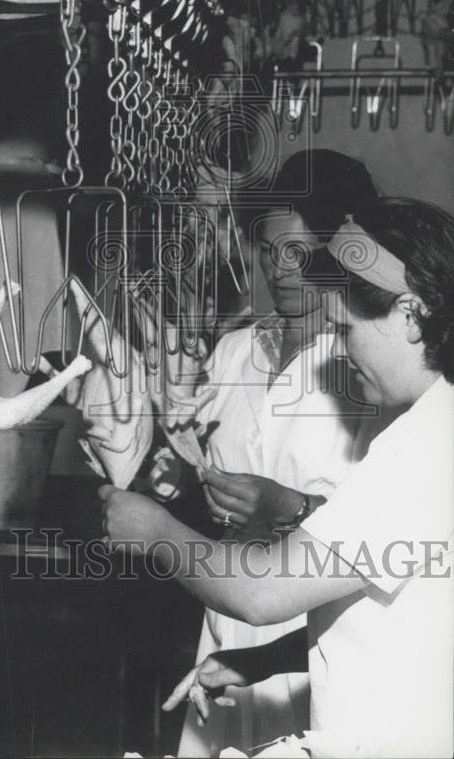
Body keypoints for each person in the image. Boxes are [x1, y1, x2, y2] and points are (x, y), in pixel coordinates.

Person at [100, 197, 454, 759]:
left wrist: (155, 534)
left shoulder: (425, 452)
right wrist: (265, 659)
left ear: (411, 316)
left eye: (346, 327)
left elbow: (262, 590)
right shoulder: (432, 428)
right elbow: (394, 607)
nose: (338, 346)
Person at [160, 149, 381, 757]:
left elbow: (382, 530)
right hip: (227, 622)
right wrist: (172, 476)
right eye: (269, 250)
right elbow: (197, 476)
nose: (280, 270)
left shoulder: (365, 370)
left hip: (317, 634)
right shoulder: (233, 353)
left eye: (301, 254)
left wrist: (288, 504)